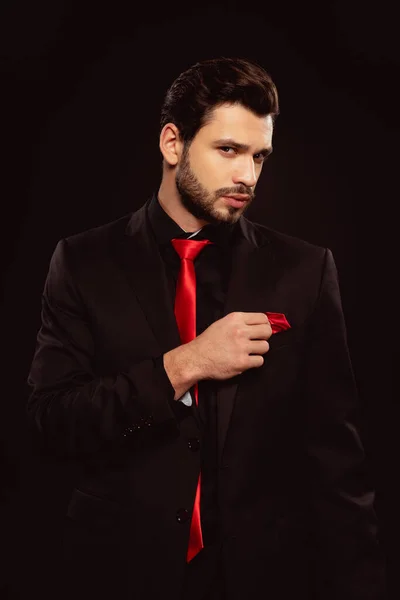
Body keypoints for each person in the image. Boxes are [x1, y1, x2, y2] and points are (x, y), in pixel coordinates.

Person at [26, 57, 386, 600]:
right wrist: (187, 363)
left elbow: (337, 462)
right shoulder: (83, 262)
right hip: (118, 573)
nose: (247, 176)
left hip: (261, 577)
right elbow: (51, 422)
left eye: (259, 156)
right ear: (173, 144)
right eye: (228, 151)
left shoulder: (305, 271)